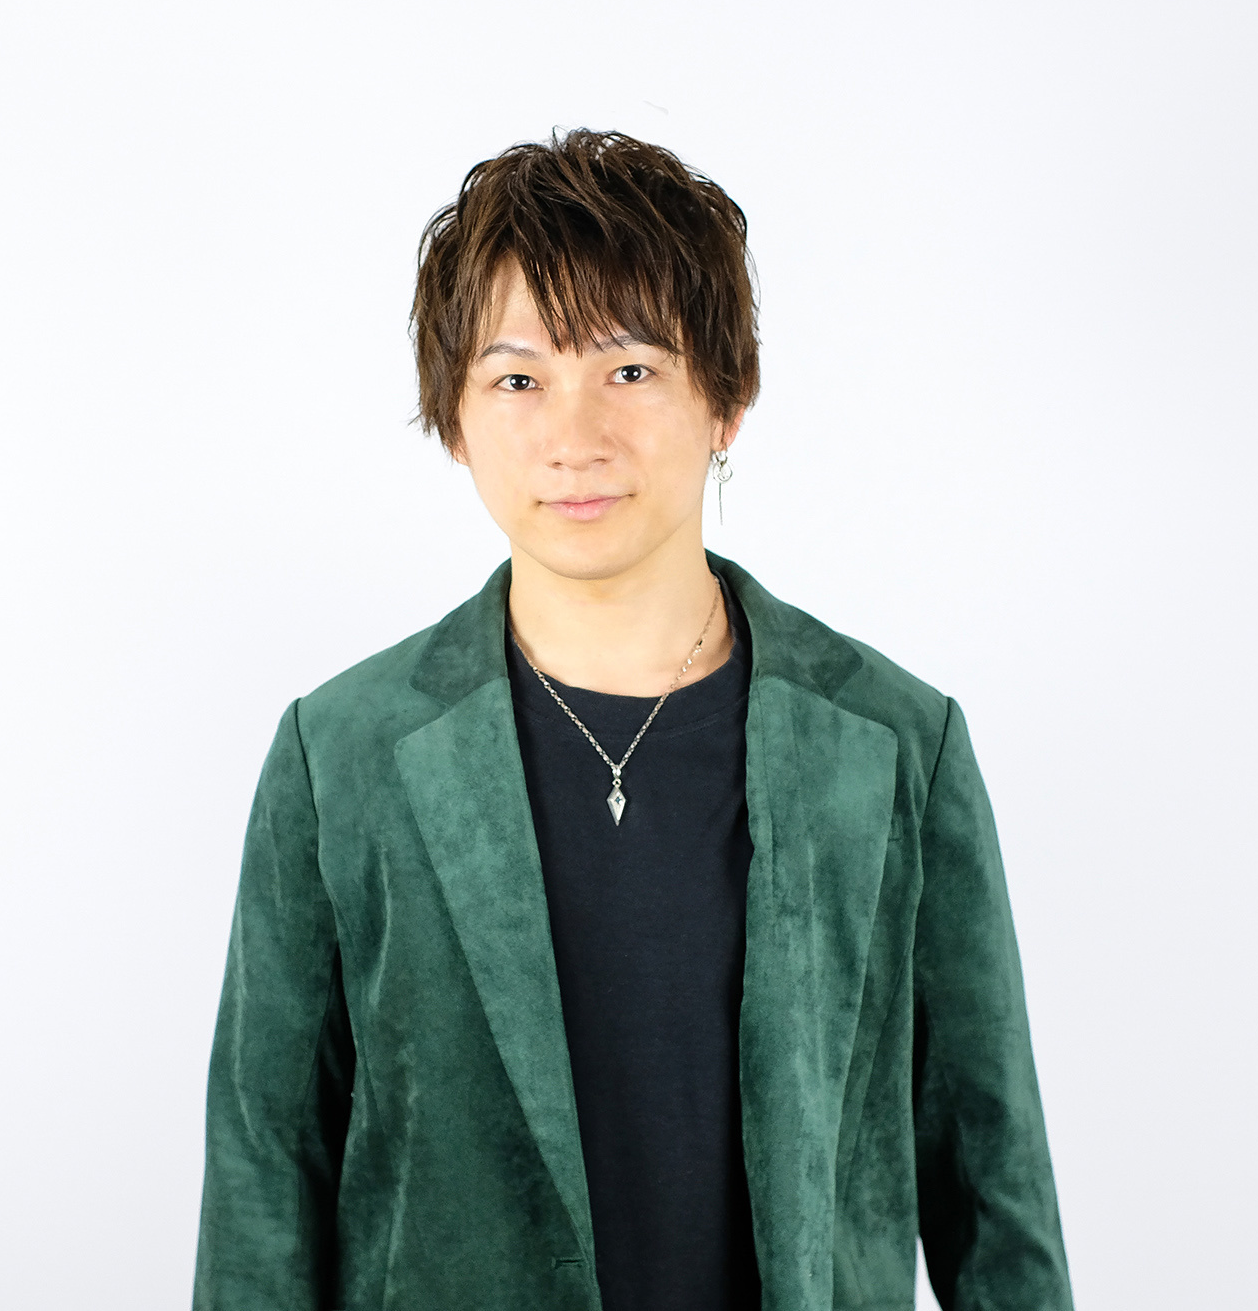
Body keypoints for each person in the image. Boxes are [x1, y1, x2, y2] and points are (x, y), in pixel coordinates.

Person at [192, 129, 1073, 1311]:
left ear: (728, 398)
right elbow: (263, 1185)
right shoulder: (342, 755)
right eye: (517, 380)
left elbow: (993, 1189)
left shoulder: (893, 745)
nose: (575, 438)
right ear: (453, 419)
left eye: (632, 369)